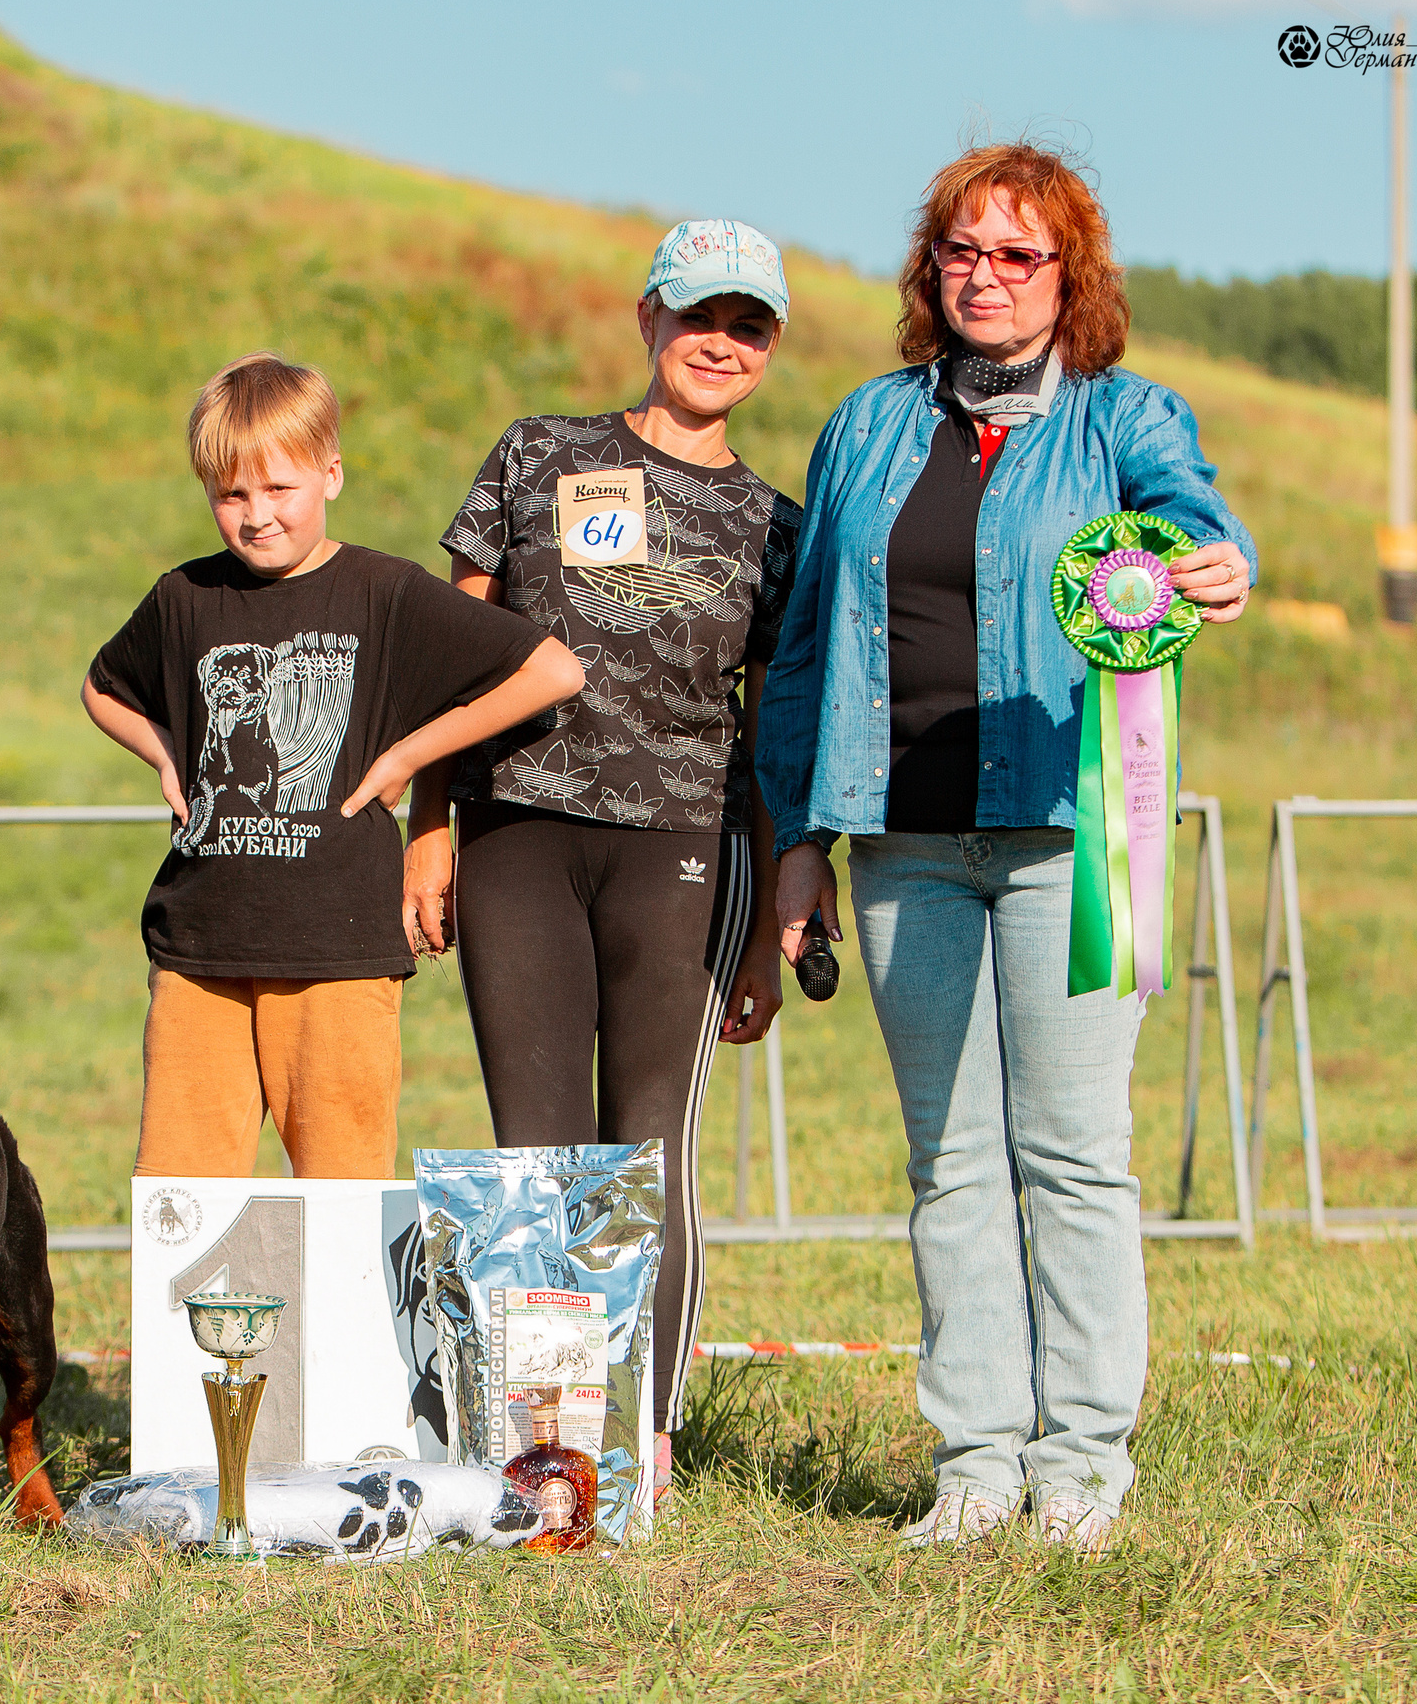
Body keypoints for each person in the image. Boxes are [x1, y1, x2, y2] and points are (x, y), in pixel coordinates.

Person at [756, 143, 1255, 1552]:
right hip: (902, 843)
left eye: (1018, 255)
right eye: (963, 252)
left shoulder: (1123, 418)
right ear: (933, 271)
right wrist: (800, 841)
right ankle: (974, 1462)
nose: (986, 276)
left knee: (1075, 1154)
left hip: (1070, 838)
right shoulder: (864, 425)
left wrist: (1220, 562)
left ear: (1068, 277)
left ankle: (1082, 1468)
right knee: (952, 1163)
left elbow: (1202, 524)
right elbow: (799, 652)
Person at [407, 219, 803, 1490]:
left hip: (684, 851)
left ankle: (645, 1434)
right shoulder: (540, 454)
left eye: (746, 326)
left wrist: (764, 922)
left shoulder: (773, 523)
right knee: (537, 1149)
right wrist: (426, 827)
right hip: (515, 833)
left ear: (771, 347)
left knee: (646, 1150)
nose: (718, 344)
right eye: (699, 317)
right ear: (648, 319)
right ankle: (541, 1438)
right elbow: (445, 656)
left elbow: (772, 736)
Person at [83, 353, 583, 1179]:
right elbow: (102, 689)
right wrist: (166, 755)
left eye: (280, 489)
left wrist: (407, 754)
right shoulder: (183, 596)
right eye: (231, 495)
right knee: (182, 1199)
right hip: (196, 950)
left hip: (341, 952)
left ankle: (341, 1320)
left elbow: (553, 671)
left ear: (331, 474)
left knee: (342, 1197)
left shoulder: (386, 591)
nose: (257, 516)